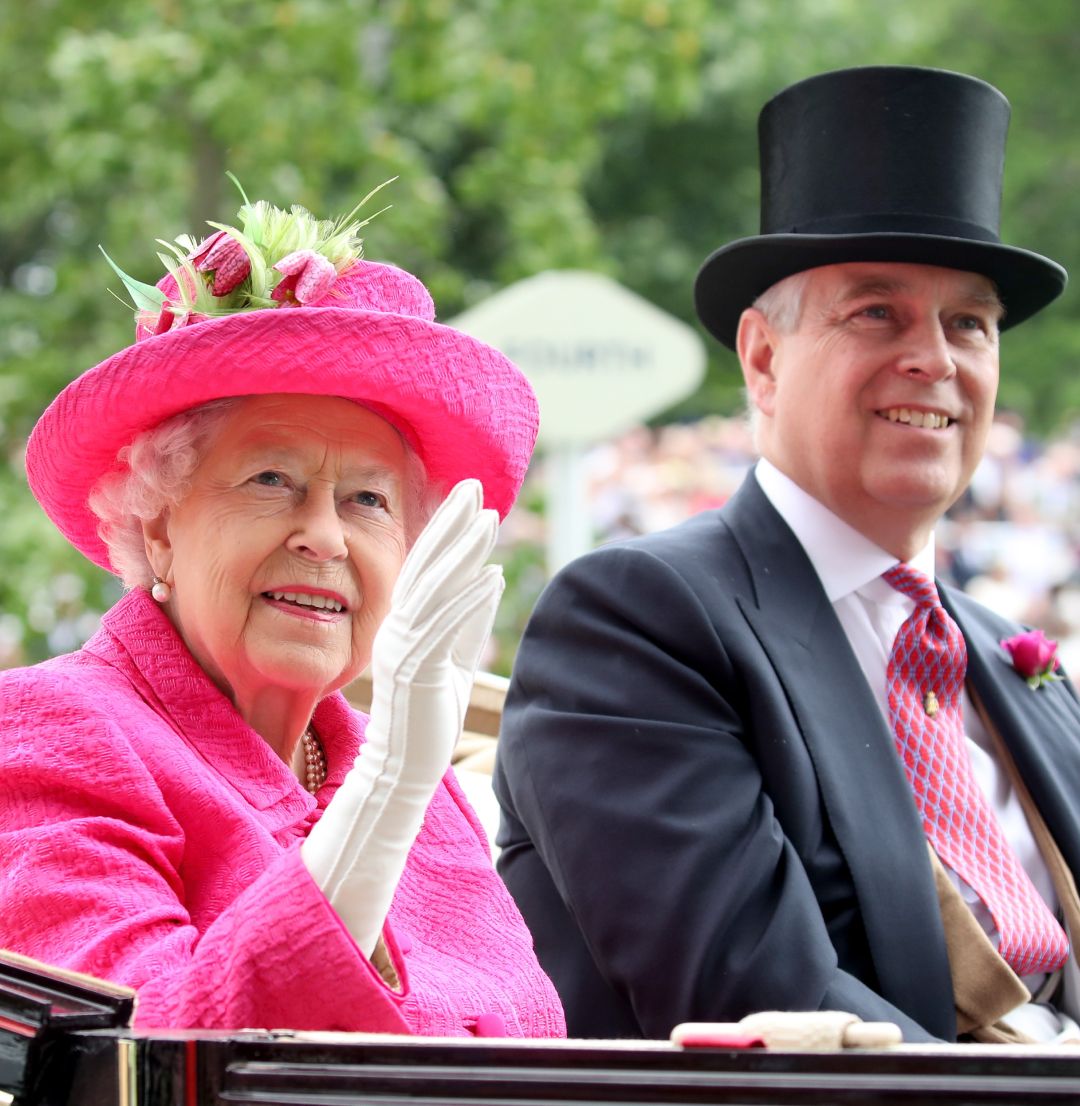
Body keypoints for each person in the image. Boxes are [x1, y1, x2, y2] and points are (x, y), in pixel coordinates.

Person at [494, 65, 1080, 1045]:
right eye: (876, 313)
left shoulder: (1021, 664)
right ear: (762, 358)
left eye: (967, 323)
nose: (933, 358)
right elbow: (759, 999)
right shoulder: (641, 621)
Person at [0, 187, 565, 1038]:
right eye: (272, 481)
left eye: (369, 500)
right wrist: (385, 792)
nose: (325, 537)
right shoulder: (48, 731)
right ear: (157, 524)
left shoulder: (401, 769)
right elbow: (142, 1061)